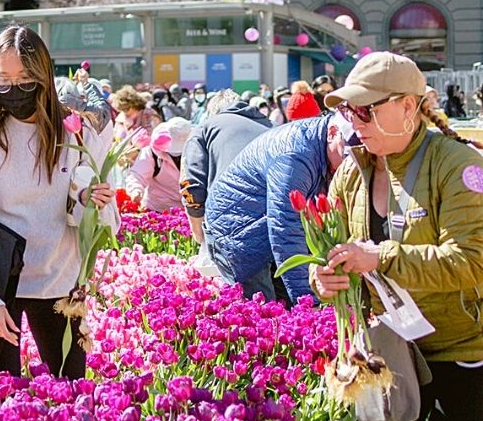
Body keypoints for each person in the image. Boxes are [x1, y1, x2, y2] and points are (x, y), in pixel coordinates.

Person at [312, 52, 483, 421]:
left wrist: (379, 256)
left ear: (408, 107)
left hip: (471, 341)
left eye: (365, 109)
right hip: (394, 344)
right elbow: (333, 251)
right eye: (347, 110)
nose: (354, 120)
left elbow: (471, 262)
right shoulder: (353, 172)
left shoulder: (459, 166)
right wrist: (325, 277)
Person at [0, 24, 116, 379]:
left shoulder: (74, 131)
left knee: (71, 394)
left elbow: (85, 211)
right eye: (3, 81)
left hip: (59, 284)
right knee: (1, 404)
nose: (15, 91)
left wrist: (88, 200)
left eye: (26, 79)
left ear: (44, 76)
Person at [204, 113, 352, 303]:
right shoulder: (295, 156)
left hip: (266, 231)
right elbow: (286, 229)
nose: (351, 163)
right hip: (238, 235)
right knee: (260, 312)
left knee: (286, 314)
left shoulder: (323, 148)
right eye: (347, 154)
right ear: (332, 133)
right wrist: (308, 303)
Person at [180, 89, 272, 244]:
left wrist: (200, 237)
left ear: (212, 113)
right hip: (276, 217)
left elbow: (191, 184)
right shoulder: (273, 126)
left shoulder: (204, 129)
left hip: (230, 221)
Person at [124, 117, 192, 211]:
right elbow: (137, 175)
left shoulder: (197, 152)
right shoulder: (151, 153)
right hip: (157, 208)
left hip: (190, 209)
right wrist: (136, 190)